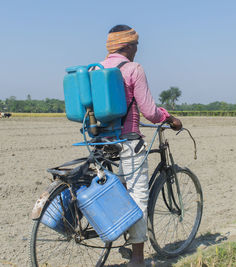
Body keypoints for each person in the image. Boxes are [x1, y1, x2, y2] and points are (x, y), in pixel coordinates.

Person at [99, 25, 182, 267]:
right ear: (126, 45)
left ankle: (119, 237)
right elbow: (149, 112)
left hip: (102, 142)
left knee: (117, 191)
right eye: (136, 45)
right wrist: (169, 118)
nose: (137, 50)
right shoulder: (133, 69)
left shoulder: (95, 69)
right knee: (138, 196)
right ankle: (137, 257)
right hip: (128, 143)